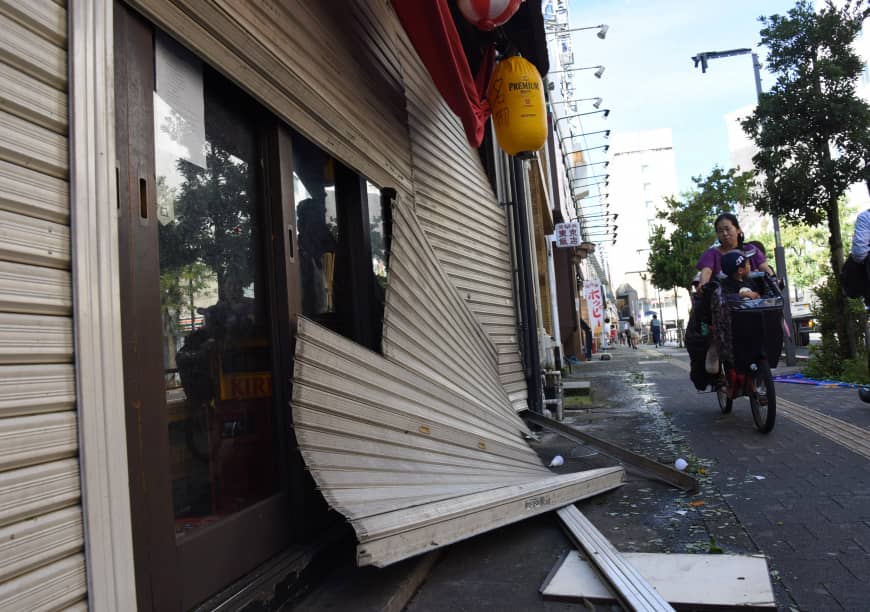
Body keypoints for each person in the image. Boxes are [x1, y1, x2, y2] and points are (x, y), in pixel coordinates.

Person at [696, 213, 773, 288]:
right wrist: (703, 285)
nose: (725, 233)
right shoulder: (711, 254)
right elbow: (706, 271)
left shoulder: (751, 250)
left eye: (727, 229)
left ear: (738, 230)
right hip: (725, 299)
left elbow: (764, 268)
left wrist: (774, 280)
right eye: (720, 231)